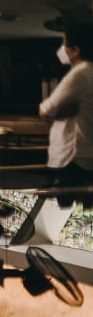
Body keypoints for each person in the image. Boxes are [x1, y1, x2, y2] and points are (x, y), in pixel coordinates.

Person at [39, 25, 93, 204]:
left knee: (67, 204)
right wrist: (64, 111)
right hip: (86, 154)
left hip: (71, 157)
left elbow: (45, 111)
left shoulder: (79, 73)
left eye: (64, 45)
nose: (62, 49)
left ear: (75, 50)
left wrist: (57, 114)